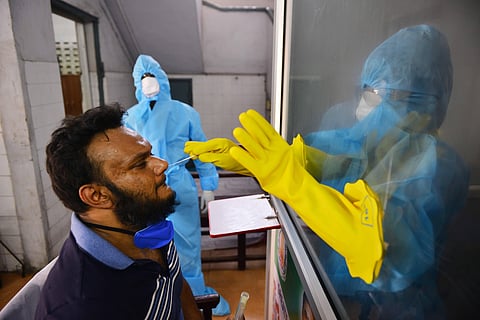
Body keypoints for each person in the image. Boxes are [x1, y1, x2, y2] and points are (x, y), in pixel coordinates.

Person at [184, 25, 470, 319]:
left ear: (419, 98)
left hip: (403, 308)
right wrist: (246, 159)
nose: (365, 104)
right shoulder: (375, 139)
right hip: (353, 298)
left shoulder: (438, 166)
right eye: (366, 90)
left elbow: (383, 248)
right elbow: (336, 159)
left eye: (378, 93)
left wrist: (291, 182)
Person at [36, 104, 202, 319]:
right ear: (97, 196)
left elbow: (175, 284)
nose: (162, 164)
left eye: (150, 154)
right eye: (139, 164)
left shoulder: (145, 222)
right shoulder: (81, 306)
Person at [123, 54, 229, 315]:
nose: (149, 85)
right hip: (144, 189)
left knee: (188, 242)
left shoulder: (185, 113)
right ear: (137, 84)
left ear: (162, 80)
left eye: (152, 78)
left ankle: (194, 295)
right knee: (149, 242)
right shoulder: (130, 118)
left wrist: (209, 185)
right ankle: (161, 295)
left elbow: (201, 151)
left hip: (178, 184)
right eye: (144, 79)